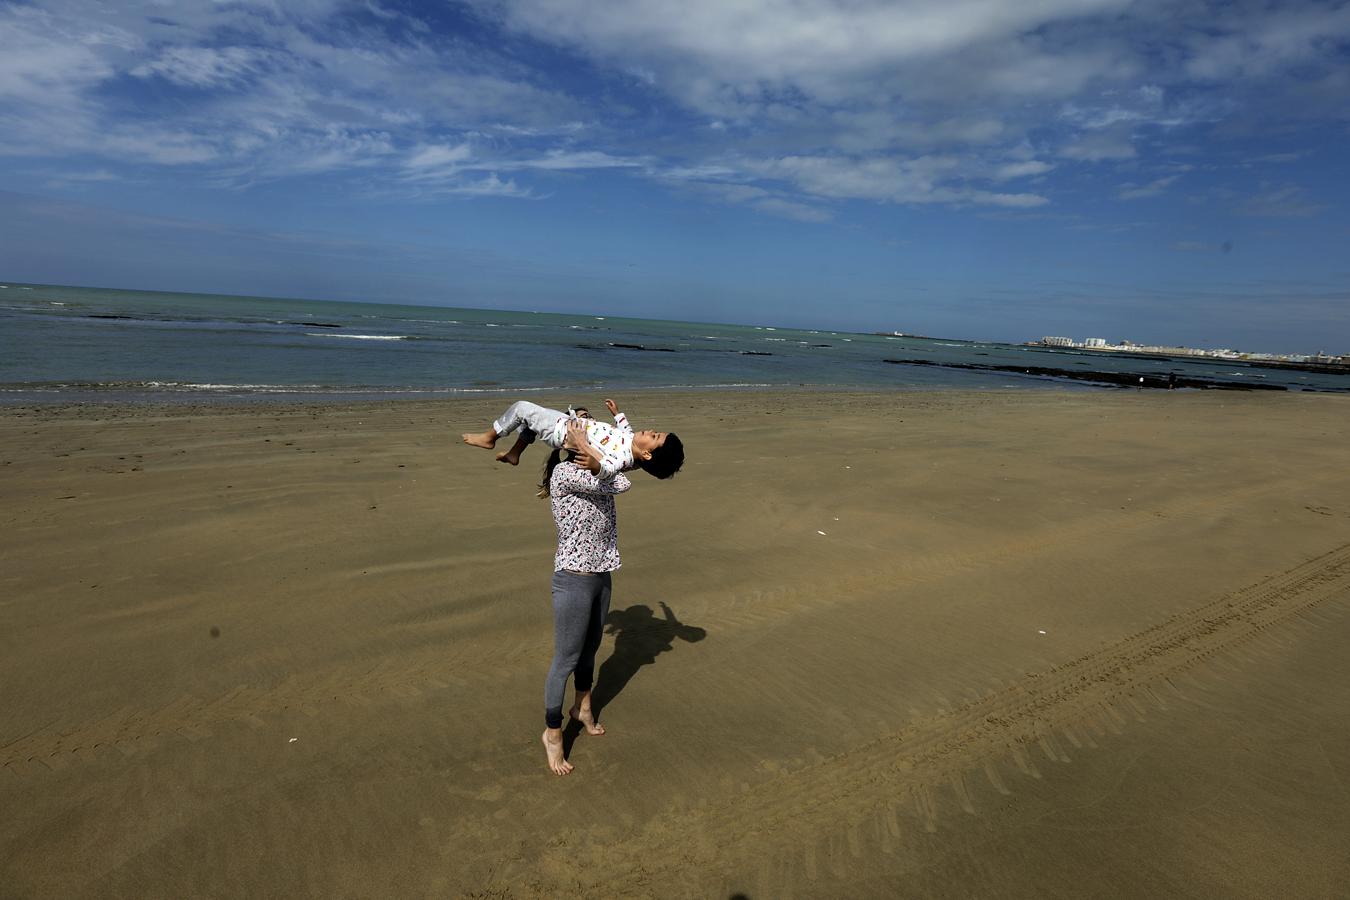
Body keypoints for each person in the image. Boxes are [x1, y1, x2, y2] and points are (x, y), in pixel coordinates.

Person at [539, 419, 629, 775]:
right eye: (581, 431)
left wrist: (619, 427)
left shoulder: (596, 471)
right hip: (573, 579)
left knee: (590, 649)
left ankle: (584, 708)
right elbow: (622, 480)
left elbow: (618, 467)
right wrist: (596, 456)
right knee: (565, 660)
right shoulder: (566, 474)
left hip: (601, 575)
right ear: (567, 441)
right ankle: (552, 733)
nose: (591, 434)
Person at [462, 397, 683, 480]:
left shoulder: (623, 459)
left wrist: (594, 462)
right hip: (569, 423)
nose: (651, 430)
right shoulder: (631, 442)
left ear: (646, 453)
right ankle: (514, 454)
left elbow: (606, 469)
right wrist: (618, 414)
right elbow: (626, 428)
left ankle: (490, 438)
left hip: (563, 433)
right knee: (530, 422)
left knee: (522, 409)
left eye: (655, 437)